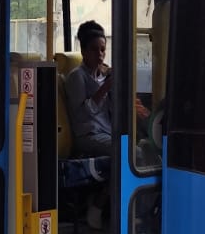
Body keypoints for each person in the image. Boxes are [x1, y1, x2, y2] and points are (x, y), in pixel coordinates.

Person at [62, 20, 149, 157]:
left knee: (146, 143)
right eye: (93, 49)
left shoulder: (104, 74)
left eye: (102, 50)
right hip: (88, 135)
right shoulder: (77, 77)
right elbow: (82, 114)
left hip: (107, 131)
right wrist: (106, 87)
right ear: (84, 51)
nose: (99, 54)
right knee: (134, 153)